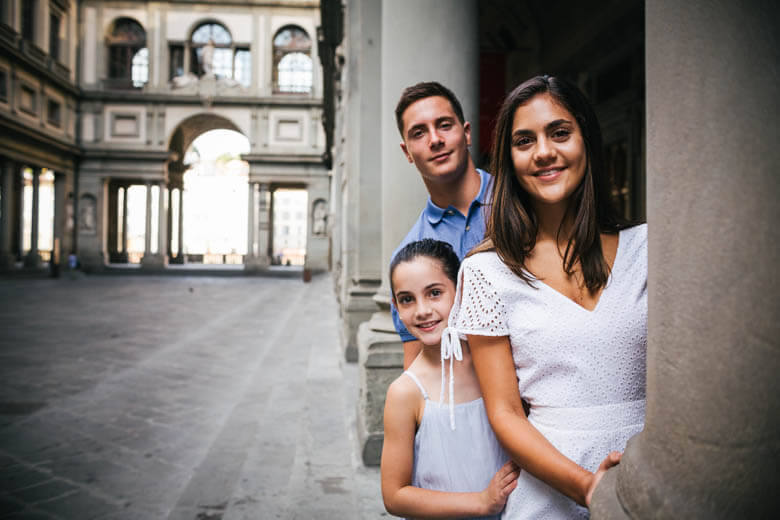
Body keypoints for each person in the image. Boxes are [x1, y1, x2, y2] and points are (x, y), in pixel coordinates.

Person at [450, 75, 647, 518]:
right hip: (549, 494)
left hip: (651, 476)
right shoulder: (486, 272)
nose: (543, 151)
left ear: (586, 140)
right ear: (509, 158)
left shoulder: (650, 249)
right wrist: (590, 489)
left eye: (559, 132)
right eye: (525, 140)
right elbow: (505, 414)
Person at [381, 239, 519, 519]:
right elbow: (395, 496)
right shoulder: (405, 393)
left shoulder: (495, 365)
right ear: (395, 306)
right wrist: (481, 501)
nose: (421, 310)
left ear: (460, 291)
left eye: (434, 293)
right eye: (407, 299)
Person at [390, 82, 493, 369]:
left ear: (467, 133)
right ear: (407, 152)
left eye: (444, 125)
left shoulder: (521, 205)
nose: (435, 139)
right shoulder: (408, 256)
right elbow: (418, 368)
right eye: (419, 133)